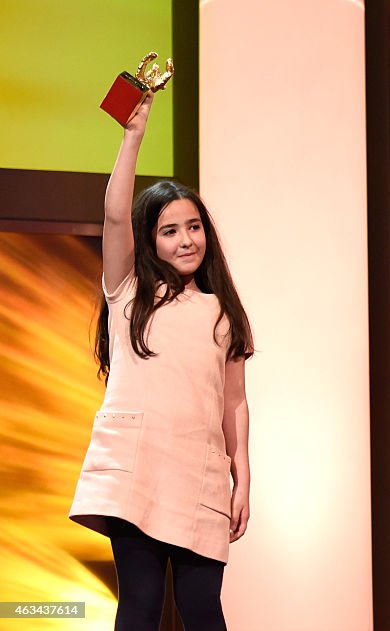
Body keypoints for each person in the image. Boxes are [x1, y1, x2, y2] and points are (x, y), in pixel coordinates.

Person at [69, 92, 253, 631]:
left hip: (200, 476)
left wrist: (243, 476)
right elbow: (112, 214)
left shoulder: (223, 311)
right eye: (169, 230)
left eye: (193, 227)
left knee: (201, 610)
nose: (185, 239)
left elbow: (236, 401)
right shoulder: (127, 291)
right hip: (138, 468)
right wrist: (133, 135)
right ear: (150, 240)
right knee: (142, 605)